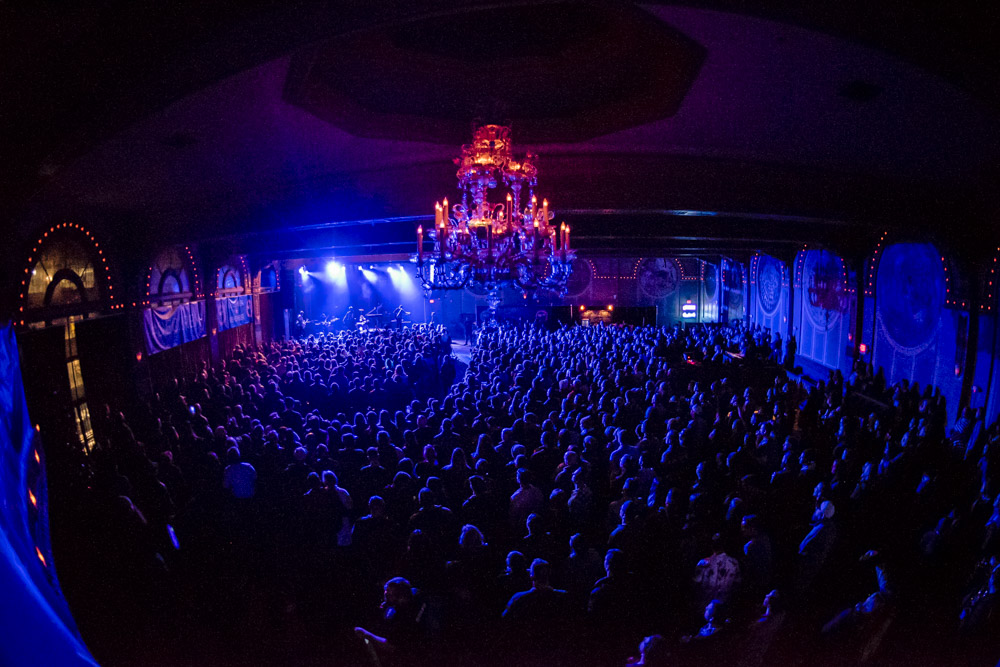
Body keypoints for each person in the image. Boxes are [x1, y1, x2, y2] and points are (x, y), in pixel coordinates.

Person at [354, 577, 424, 666]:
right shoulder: (393, 607)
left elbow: (392, 646)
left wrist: (366, 634)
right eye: (386, 591)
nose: (385, 594)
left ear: (402, 596)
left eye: (390, 593)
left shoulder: (406, 617)